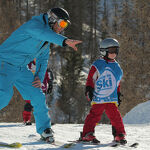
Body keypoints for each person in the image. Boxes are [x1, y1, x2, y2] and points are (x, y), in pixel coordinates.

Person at [0, 7, 82, 143]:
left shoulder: (46, 40)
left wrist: (38, 76)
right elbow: (44, 34)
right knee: (3, 95)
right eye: (62, 24)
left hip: (20, 68)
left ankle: (45, 130)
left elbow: (43, 59)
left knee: (37, 95)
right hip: (4, 63)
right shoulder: (34, 26)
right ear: (52, 19)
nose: (62, 28)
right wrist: (65, 41)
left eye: (65, 25)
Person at [80, 38, 127, 144]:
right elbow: (91, 78)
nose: (114, 53)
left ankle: (119, 134)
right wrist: (89, 89)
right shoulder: (98, 64)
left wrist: (118, 93)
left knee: (115, 116)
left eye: (116, 50)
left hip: (111, 97)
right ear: (103, 51)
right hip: (99, 96)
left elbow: (117, 81)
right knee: (94, 115)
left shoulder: (116, 66)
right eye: (111, 50)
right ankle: (87, 133)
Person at [22, 60, 54, 125]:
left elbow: (49, 74)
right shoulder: (29, 65)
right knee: (29, 105)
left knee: (43, 105)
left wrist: (50, 84)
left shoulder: (43, 64)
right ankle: (26, 120)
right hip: (31, 89)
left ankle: (46, 121)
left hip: (42, 88)